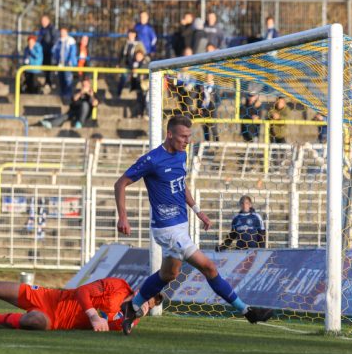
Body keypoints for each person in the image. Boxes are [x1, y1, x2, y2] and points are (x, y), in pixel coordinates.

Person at [114, 115, 274, 335]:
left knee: (168, 274)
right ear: (170, 134)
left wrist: (198, 211)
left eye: (189, 136)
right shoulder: (152, 160)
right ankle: (247, 312)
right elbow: (120, 183)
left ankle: (131, 307)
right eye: (183, 136)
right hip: (167, 229)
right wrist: (123, 217)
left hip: (181, 225)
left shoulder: (182, 154)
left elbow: (181, 185)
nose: (187, 141)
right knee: (209, 267)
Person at [0, 277, 162, 332]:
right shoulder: (118, 286)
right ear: (141, 291)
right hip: (50, 298)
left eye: (150, 305)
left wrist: (133, 317)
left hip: (56, 321)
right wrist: (94, 315)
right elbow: (83, 291)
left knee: (33, 321)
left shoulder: (128, 320)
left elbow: (118, 328)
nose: (146, 304)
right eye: (148, 298)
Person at [117, 28, 146, 97]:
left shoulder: (138, 44)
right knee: (123, 77)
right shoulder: (126, 44)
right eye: (129, 34)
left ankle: (138, 94)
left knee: (136, 78)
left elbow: (142, 54)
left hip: (136, 65)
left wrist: (138, 64)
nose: (130, 35)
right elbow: (121, 55)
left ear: (135, 34)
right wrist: (118, 63)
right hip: (126, 65)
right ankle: (119, 93)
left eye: (132, 34)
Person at [52, 28, 77, 99]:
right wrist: (55, 61)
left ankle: (68, 95)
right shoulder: (58, 41)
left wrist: (70, 61)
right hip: (60, 63)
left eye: (63, 32)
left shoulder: (70, 40)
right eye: (61, 32)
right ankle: (62, 94)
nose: (62, 33)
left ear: (67, 32)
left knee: (68, 79)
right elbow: (55, 51)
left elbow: (72, 52)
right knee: (61, 78)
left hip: (68, 63)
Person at [37, 15, 59, 90]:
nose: (42, 22)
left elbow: (55, 39)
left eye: (44, 21)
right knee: (45, 68)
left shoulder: (52, 28)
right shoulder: (42, 29)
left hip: (50, 53)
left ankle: (50, 83)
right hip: (43, 52)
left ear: (48, 21)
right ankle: (47, 82)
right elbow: (40, 39)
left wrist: (52, 48)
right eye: (42, 21)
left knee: (50, 68)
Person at [197, 73, 220, 141]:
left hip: (212, 110)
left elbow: (218, 100)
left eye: (209, 77)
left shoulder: (215, 87)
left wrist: (215, 107)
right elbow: (199, 98)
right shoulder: (202, 86)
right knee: (205, 128)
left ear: (212, 77)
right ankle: (207, 144)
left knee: (214, 128)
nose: (208, 78)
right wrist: (199, 107)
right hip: (203, 110)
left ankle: (217, 144)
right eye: (207, 77)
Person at [130, 49, 150, 120]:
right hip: (138, 84)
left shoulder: (146, 63)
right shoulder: (135, 63)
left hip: (145, 85)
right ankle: (140, 113)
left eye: (139, 56)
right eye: (136, 56)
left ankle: (147, 114)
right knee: (139, 99)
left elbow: (145, 72)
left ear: (142, 56)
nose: (137, 57)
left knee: (146, 100)